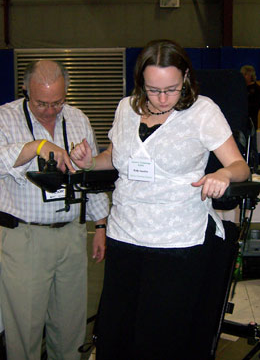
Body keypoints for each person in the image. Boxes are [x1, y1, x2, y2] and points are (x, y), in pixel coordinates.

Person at [70, 40, 250, 360]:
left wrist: (223, 174)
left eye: (172, 89)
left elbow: (240, 166)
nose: (163, 98)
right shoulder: (126, 108)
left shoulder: (203, 111)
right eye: (154, 90)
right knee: (116, 332)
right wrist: (88, 162)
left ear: (185, 78)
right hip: (125, 233)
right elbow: (113, 157)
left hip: (176, 240)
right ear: (141, 81)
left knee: (161, 336)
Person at [0, 60, 109, 360]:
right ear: (25, 89)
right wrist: (36, 146)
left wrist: (100, 225)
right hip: (26, 239)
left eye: (57, 102)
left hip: (72, 235)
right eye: (41, 104)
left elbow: (89, 175)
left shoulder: (77, 119)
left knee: (71, 326)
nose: (50, 110)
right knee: (25, 327)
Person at [240, 64, 260, 129]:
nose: (243, 76)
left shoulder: (257, 89)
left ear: (251, 75)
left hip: (252, 122)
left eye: (245, 74)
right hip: (241, 121)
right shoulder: (240, 88)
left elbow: (256, 106)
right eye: (242, 74)